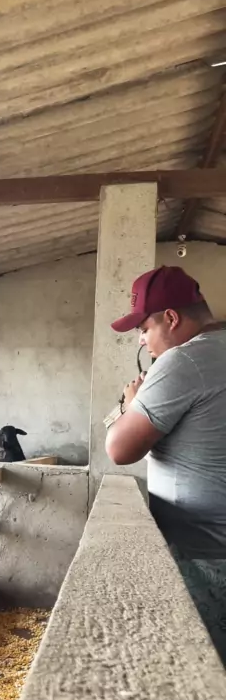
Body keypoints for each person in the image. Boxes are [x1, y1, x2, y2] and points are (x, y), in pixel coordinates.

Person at [105, 265, 226, 663]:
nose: (142, 340)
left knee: (204, 673)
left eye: (144, 328)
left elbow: (119, 450)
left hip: (205, 554)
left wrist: (132, 402)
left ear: (171, 318)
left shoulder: (183, 361)